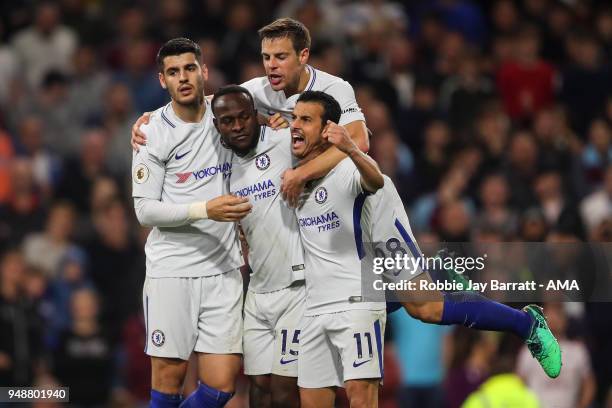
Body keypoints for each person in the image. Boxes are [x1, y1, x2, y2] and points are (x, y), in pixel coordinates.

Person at [131, 38, 252, 408]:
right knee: (168, 383)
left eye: (188, 68)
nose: (182, 77)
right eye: (173, 72)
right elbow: (145, 211)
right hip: (173, 271)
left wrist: (276, 117)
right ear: (162, 80)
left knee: (221, 387)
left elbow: (274, 105)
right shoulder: (153, 131)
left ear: (204, 71)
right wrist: (206, 210)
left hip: (223, 270)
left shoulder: (228, 116)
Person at [132, 18, 369, 207]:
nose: (271, 65)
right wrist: (156, 117)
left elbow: (359, 141)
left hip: (342, 189)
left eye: (281, 57)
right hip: (298, 196)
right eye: (266, 57)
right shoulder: (260, 89)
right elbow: (209, 100)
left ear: (303, 55)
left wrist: (301, 174)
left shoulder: (334, 87)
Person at [289, 91, 386, 407]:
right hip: (314, 308)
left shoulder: (345, 170)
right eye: (294, 118)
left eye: (306, 120)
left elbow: (376, 181)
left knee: (361, 399)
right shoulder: (296, 178)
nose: (295, 126)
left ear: (326, 128)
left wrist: (351, 148)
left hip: (355, 303)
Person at [211, 85, 304, 407]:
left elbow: (338, 142)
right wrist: (144, 123)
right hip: (258, 288)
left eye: (244, 117)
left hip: (297, 285)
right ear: (217, 125)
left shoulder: (283, 141)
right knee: (259, 384)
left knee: (283, 389)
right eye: (227, 121)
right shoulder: (220, 168)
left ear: (256, 117)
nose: (237, 126)